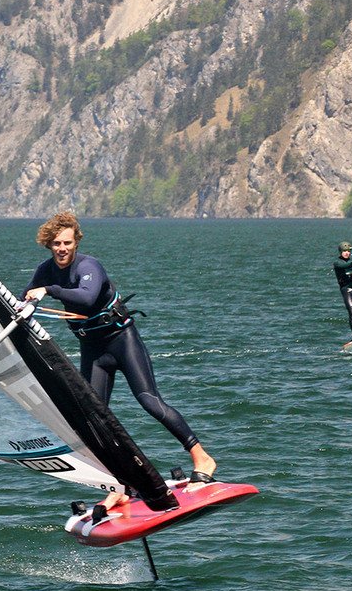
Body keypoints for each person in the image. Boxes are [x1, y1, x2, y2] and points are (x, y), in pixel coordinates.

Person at [23, 212, 216, 507]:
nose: (62, 249)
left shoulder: (89, 266)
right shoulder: (45, 270)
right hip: (93, 350)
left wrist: (48, 290)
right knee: (92, 420)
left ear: (76, 243)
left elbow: (87, 298)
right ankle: (119, 485)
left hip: (121, 341)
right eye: (56, 244)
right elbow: (25, 297)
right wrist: (23, 304)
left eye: (67, 243)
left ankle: (202, 459)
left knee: (150, 401)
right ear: (48, 244)